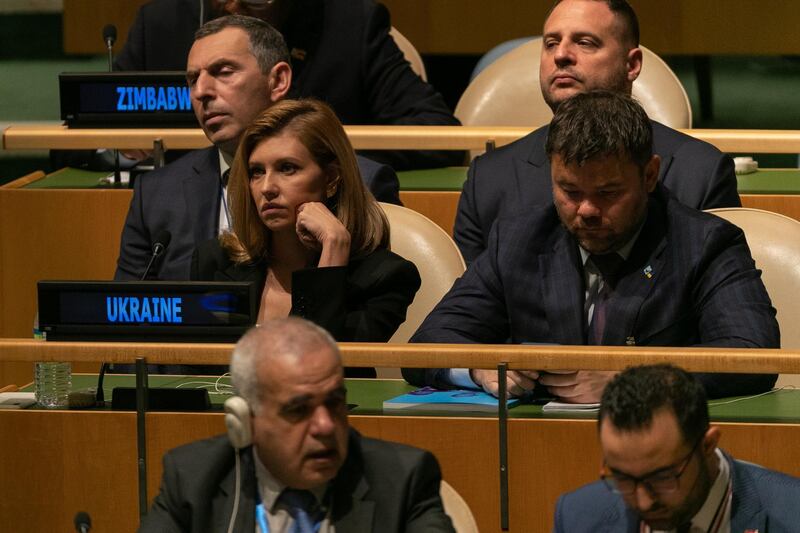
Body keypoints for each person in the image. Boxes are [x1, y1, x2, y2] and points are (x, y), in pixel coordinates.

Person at [406, 91, 778, 401]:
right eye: (569, 191)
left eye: (608, 193)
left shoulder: (705, 243)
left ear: (649, 175)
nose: (586, 210)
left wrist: (629, 380)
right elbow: (427, 346)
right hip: (542, 446)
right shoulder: (518, 239)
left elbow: (750, 355)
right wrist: (482, 368)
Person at [114, 14, 401, 281]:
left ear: (278, 80)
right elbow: (128, 315)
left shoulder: (366, 183)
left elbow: (375, 301)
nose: (201, 92)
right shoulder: (154, 194)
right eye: (192, 80)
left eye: (223, 72)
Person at [454, 0, 741, 264]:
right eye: (551, 43)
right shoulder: (489, 179)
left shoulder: (700, 173)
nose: (561, 55)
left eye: (585, 42)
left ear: (632, 64)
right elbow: (467, 310)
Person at [139, 317, 455, 532]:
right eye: (298, 410)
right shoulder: (192, 481)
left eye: (334, 403)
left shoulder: (403, 480)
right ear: (245, 421)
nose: (325, 426)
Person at [191, 98, 420, 376]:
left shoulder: (384, 279)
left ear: (332, 178)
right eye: (257, 172)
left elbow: (316, 370)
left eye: (288, 168)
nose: (267, 188)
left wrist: (333, 251)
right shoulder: (216, 262)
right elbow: (201, 371)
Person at [114, 0, 463, 171]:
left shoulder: (351, 24)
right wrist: (126, 152)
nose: (236, 6)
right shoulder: (158, 25)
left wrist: (317, 160)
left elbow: (437, 135)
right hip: (194, 214)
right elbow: (82, 136)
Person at [554, 364, 800, 532]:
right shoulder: (578, 517)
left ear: (707, 445)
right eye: (622, 477)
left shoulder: (792, 515)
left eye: (662, 477)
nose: (643, 502)